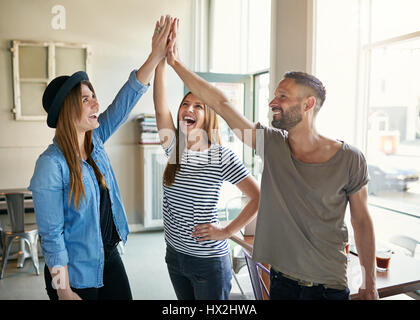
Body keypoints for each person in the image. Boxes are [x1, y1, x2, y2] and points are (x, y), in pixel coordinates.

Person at [164, 20, 379, 300]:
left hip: (328, 285)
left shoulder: (350, 159)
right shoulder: (272, 144)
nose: (272, 102)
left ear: (308, 104)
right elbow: (222, 104)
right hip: (281, 281)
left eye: (282, 96)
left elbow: (361, 221)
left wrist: (370, 283)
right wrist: (174, 63)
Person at [28, 15, 174, 300]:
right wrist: (63, 290)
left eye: (93, 95)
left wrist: (155, 57)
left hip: (108, 256)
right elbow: (52, 237)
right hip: (75, 273)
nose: (96, 103)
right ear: (68, 111)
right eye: (85, 99)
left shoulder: (96, 142)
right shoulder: (50, 165)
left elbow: (124, 100)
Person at [153, 17, 260, 300]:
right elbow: (159, 102)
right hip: (174, 256)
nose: (188, 109)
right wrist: (160, 56)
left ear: (208, 115)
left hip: (208, 263)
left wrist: (226, 230)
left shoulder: (221, 156)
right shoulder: (173, 147)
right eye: (185, 104)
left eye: (198, 106)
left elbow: (259, 196)